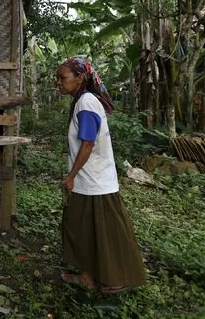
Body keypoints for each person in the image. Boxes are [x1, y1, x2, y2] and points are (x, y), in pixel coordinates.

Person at [55, 57, 146, 294]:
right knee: (86, 228)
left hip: (93, 181)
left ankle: (113, 277)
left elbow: (88, 144)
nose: (58, 82)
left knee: (100, 231)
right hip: (93, 180)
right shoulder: (83, 101)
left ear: (80, 78)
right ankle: (88, 276)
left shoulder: (86, 103)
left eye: (62, 78)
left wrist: (70, 176)